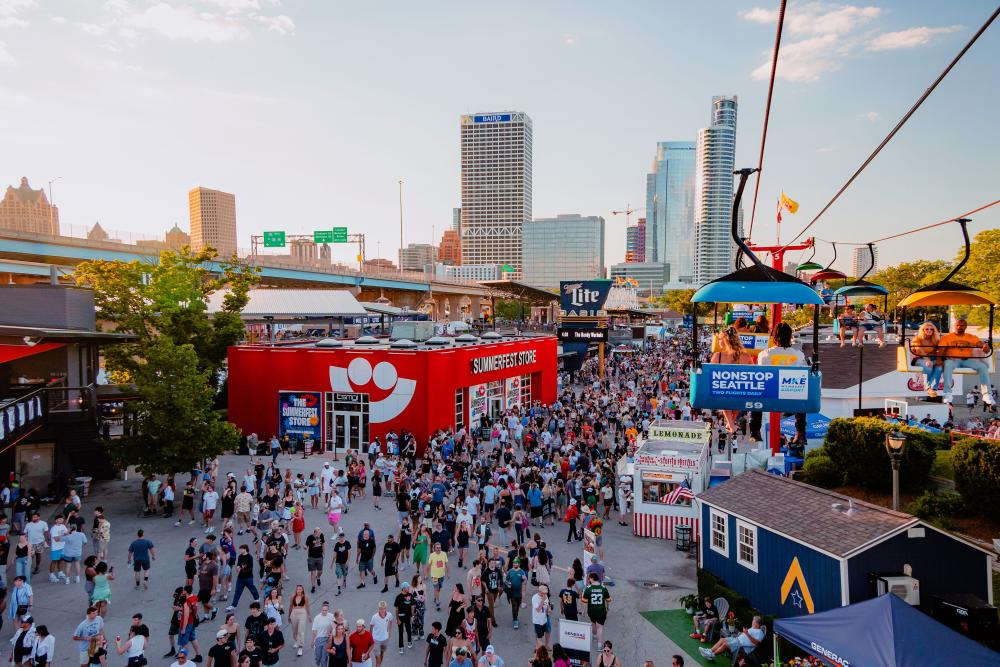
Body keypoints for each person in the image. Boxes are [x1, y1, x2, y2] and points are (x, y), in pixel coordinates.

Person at [753, 322, 808, 445]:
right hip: (790, 396)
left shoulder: (764, 354)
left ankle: (755, 430)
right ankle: (800, 432)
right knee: (802, 394)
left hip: (768, 397)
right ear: (789, 337)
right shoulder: (798, 355)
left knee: (756, 395)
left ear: (774, 337)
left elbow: (760, 375)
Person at [939, 318, 996, 405]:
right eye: (957, 325)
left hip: (967, 360)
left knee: (983, 367)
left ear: (965, 327)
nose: (959, 327)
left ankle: (987, 394)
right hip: (953, 360)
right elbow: (941, 349)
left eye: (961, 325)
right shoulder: (947, 337)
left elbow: (980, 344)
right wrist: (940, 359)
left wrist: (984, 346)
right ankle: (947, 393)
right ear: (954, 326)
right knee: (947, 364)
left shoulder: (971, 337)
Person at [710, 327, 754, 436]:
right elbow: (753, 374)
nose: (718, 341)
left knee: (725, 393)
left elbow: (710, 376)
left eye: (720, 339)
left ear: (726, 340)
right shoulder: (745, 356)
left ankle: (731, 423)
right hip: (740, 393)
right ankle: (731, 422)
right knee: (734, 394)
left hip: (724, 392)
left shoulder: (718, 357)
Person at [700, 615, 765, 661]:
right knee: (722, 639)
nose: (752, 622)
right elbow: (746, 635)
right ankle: (710, 651)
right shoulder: (753, 628)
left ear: (757, 623)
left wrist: (747, 633)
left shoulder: (760, 632)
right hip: (737, 639)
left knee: (725, 645)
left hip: (741, 646)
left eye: (753, 621)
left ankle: (712, 655)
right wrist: (742, 633)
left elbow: (757, 643)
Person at [910, 322, 943, 398]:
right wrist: (927, 360)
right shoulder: (917, 339)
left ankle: (933, 388)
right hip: (920, 358)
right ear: (923, 330)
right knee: (928, 366)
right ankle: (927, 387)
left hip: (932, 359)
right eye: (927, 329)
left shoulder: (935, 340)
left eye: (932, 329)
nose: (929, 331)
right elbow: (919, 350)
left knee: (939, 367)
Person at [583, 573, 610, 647]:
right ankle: (599, 645)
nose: (588, 579)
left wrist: (583, 611)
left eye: (589, 578)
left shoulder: (588, 588)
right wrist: (607, 607)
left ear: (592, 578)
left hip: (591, 611)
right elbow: (608, 599)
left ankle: (594, 636)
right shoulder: (603, 587)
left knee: (593, 624)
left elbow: (584, 602)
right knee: (600, 628)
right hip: (601, 611)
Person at [503, 557, 526, 630]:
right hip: (512, 592)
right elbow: (505, 580)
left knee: (517, 606)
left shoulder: (522, 571)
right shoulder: (510, 571)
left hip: (519, 593)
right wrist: (508, 584)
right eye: (513, 563)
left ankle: (515, 616)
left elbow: (525, 581)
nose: (514, 564)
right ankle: (515, 620)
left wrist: (525, 579)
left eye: (516, 563)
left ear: (518, 564)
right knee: (514, 606)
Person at [310, 602, 335, 667]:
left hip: (327, 639)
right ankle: (317, 663)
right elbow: (314, 630)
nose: (324, 612)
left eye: (326, 610)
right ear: (321, 610)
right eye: (323, 610)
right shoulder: (317, 618)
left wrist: (331, 635)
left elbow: (335, 625)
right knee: (318, 657)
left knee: (324, 658)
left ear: (328, 610)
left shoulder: (331, 616)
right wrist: (312, 641)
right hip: (319, 639)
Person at [289, 585, 311, 657]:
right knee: (294, 630)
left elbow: (307, 606)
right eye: (297, 589)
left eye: (300, 589)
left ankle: (300, 647)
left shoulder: (305, 597)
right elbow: (290, 606)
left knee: (301, 631)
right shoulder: (293, 596)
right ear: (296, 590)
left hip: (302, 612)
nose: (298, 590)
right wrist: (289, 616)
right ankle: (296, 641)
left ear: (302, 590)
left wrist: (309, 615)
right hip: (294, 612)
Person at [369, 601, 393, 667]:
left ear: (386, 608)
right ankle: (378, 665)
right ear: (378, 608)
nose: (382, 610)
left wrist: (389, 632)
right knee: (378, 658)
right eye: (380, 608)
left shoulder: (389, 615)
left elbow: (390, 622)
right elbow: (371, 627)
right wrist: (370, 638)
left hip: (385, 639)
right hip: (376, 640)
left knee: (382, 654)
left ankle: (379, 665)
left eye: (384, 608)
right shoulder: (374, 617)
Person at [393, 583, 414, 655]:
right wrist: (397, 619)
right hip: (400, 617)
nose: (409, 588)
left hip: (408, 617)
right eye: (407, 587)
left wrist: (412, 616)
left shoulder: (410, 595)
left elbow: (411, 607)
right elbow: (396, 609)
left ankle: (409, 641)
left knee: (409, 630)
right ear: (403, 588)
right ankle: (401, 647)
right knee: (400, 632)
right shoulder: (398, 597)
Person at [427, 543, 449, 612]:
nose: (438, 549)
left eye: (439, 547)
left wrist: (448, 573)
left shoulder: (444, 554)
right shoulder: (432, 555)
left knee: (439, 589)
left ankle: (435, 596)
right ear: (434, 548)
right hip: (435, 576)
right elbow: (429, 565)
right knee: (436, 589)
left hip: (442, 575)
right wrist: (426, 574)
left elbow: (446, 564)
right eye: (437, 547)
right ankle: (438, 603)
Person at [530, 584, 551, 649]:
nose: (545, 594)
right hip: (538, 621)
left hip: (544, 620)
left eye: (546, 593)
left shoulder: (545, 596)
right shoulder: (535, 598)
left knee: (546, 632)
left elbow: (547, 604)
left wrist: (549, 609)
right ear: (539, 592)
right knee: (539, 637)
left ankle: (542, 647)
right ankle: (542, 650)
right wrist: (542, 600)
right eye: (544, 593)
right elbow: (538, 609)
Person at [332, 532, 351, 596]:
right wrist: (332, 563)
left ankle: (344, 580)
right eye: (340, 537)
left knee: (345, 573)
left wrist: (347, 562)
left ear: (344, 537)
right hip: (338, 563)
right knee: (339, 575)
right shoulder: (337, 544)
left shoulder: (347, 543)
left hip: (345, 563)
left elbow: (349, 553)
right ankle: (339, 589)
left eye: (342, 537)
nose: (341, 539)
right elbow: (335, 554)